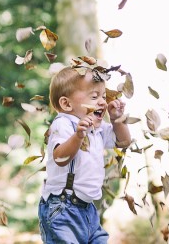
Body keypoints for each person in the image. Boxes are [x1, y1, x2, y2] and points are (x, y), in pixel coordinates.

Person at [38, 65, 131, 244]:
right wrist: (78, 136)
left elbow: (124, 142)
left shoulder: (97, 128)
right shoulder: (64, 124)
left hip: (88, 209)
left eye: (103, 96)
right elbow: (59, 158)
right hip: (62, 208)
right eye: (94, 96)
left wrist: (116, 119)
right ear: (66, 103)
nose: (103, 102)